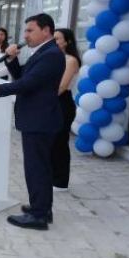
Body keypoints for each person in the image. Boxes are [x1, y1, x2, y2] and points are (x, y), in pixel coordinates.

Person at [0, 13, 65, 231]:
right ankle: (42, 208)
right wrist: (11, 58)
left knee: (36, 167)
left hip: (40, 119)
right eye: (25, 31)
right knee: (40, 166)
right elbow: (22, 74)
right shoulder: (42, 52)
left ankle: (38, 216)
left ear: (46, 31)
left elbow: (28, 83)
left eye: (30, 30)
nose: (25, 35)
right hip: (37, 118)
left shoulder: (51, 54)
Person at [51, 28, 81, 192]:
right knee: (50, 142)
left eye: (57, 39)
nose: (54, 42)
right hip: (50, 102)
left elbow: (62, 86)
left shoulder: (71, 60)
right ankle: (52, 176)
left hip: (62, 103)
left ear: (67, 41)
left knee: (60, 142)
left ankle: (61, 182)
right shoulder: (53, 58)